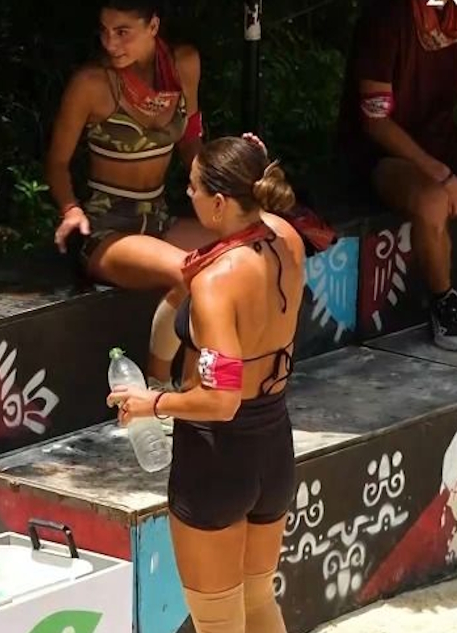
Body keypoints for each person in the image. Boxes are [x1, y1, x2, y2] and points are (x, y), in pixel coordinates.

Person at [107, 135, 305, 633]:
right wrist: (250, 158)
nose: (187, 194)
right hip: (274, 446)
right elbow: (256, 207)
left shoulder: (217, 281)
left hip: (217, 459)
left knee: (218, 623)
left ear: (219, 203)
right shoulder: (287, 239)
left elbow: (221, 400)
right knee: (258, 603)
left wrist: (152, 402)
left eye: (194, 187)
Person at [44, 0, 214, 389]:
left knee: (247, 250)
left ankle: (202, 385)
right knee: (194, 273)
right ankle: (159, 389)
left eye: (123, 32)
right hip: (107, 228)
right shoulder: (92, 83)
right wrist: (70, 209)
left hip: (159, 216)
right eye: (105, 31)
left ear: (153, 26)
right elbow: (56, 162)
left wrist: (224, 183)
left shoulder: (184, 64)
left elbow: (191, 139)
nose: (111, 43)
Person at [338, 0, 457, 350]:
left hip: (442, 142)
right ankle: (444, 302)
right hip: (381, 153)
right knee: (432, 200)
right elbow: (376, 122)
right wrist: (442, 176)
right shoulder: (388, 15)